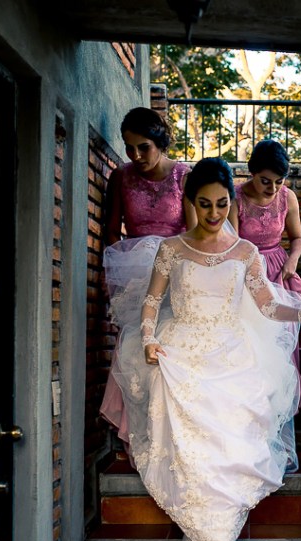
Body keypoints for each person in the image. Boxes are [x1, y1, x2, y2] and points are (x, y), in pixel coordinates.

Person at [109, 157, 301, 541]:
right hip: (181, 359)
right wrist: (148, 339)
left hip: (233, 363)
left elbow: (267, 306)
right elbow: (151, 303)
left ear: (232, 202)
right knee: (195, 464)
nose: (214, 213)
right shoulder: (171, 249)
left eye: (222, 204)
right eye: (205, 204)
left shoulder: (246, 252)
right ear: (191, 202)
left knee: (225, 465)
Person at [100, 107, 197, 461]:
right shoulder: (120, 177)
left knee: (170, 349)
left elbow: (193, 231)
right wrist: (122, 271)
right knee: (133, 350)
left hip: (176, 271)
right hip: (135, 275)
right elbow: (112, 230)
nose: (136, 155)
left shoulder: (184, 176)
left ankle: (171, 431)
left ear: (160, 142)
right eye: (129, 148)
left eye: (144, 147)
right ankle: (135, 432)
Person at [229, 139, 301, 410]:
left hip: (278, 269)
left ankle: (279, 404)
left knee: (281, 339)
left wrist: (292, 261)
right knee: (253, 341)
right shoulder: (236, 198)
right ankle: (253, 405)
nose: (273, 188)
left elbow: (297, 238)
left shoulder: (288, 197)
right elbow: (233, 244)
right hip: (246, 268)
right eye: (265, 181)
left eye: (279, 181)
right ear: (252, 172)